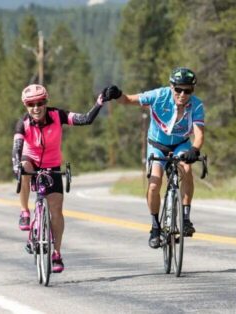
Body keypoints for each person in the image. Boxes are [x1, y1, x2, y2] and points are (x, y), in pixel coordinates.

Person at [12, 83, 114, 273]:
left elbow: (85, 119)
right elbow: (16, 148)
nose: (36, 108)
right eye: (31, 104)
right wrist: (15, 166)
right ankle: (25, 211)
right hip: (31, 160)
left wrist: (100, 102)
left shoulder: (57, 116)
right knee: (23, 169)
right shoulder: (23, 123)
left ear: (46, 102)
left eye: (40, 103)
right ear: (26, 106)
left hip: (52, 165)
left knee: (56, 210)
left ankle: (56, 253)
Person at [105, 67, 205, 249]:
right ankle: (155, 227)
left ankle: (185, 217)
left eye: (188, 90)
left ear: (193, 90)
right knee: (154, 184)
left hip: (181, 144)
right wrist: (117, 94)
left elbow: (198, 135)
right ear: (171, 86)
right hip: (157, 145)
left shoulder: (196, 105)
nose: (183, 94)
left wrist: (195, 150)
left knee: (187, 169)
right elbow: (128, 100)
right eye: (178, 89)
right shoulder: (159, 95)